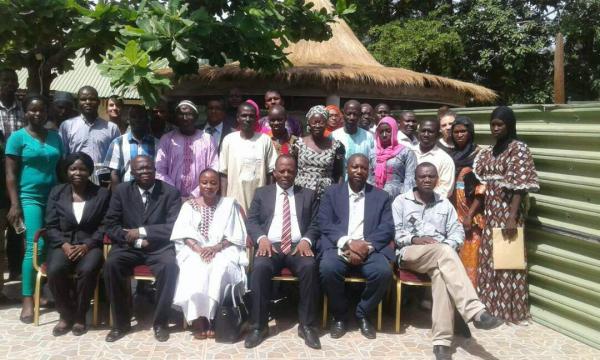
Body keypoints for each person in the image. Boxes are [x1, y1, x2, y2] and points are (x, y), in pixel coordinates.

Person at [392, 162, 502, 360]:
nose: (427, 179)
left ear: (437, 179)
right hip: (410, 253)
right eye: (422, 176)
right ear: (415, 179)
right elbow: (395, 232)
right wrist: (416, 239)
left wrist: (446, 245)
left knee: (441, 274)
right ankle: (475, 311)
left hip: (440, 256)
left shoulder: (444, 204)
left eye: (431, 176)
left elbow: (457, 232)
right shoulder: (401, 202)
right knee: (445, 252)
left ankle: (441, 343)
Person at [245, 155, 321, 349]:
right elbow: (251, 221)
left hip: (298, 246)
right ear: (275, 172)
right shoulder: (262, 193)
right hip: (271, 246)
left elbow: (316, 223)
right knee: (260, 268)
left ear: (296, 173)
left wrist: (306, 240)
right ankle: (258, 326)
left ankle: (307, 326)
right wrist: (261, 239)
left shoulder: (309, 194)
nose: (286, 174)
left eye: (290, 171)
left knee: (310, 267)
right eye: (282, 171)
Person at [103, 155, 181, 343]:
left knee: (170, 267)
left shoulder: (170, 192)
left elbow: (174, 226)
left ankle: (160, 323)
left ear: (155, 169)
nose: (145, 171)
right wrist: (135, 240)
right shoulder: (121, 191)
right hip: (129, 247)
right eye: (140, 169)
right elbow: (110, 224)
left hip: (159, 247)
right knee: (112, 264)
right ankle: (120, 324)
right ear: (132, 172)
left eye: (148, 168)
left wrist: (142, 231)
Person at [474, 106, 539, 324]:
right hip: (491, 214)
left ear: (509, 125)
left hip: (507, 213)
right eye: (492, 124)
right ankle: (490, 307)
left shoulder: (517, 149)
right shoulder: (491, 151)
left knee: (507, 260)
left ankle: (509, 311)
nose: (495, 128)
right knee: (489, 260)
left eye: (500, 124)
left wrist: (512, 217)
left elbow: (520, 188)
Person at [318, 154, 394, 340]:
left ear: (369, 171)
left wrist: (365, 248)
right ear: (347, 168)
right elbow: (324, 222)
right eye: (355, 167)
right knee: (328, 269)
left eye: (363, 168)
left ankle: (363, 313)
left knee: (383, 272)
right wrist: (348, 243)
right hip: (340, 246)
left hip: (369, 248)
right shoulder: (331, 192)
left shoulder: (381, 196)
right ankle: (340, 316)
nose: (359, 171)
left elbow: (387, 227)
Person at [170, 168, 248, 340]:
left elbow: (235, 235)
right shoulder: (188, 206)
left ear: (219, 185)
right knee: (194, 268)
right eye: (204, 182)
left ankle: (215, 318)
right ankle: (200, 319)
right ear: (199, 184)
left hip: (223, 249)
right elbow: (182, 234)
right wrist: (200, 250)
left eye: (213, 182)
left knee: (219, 268)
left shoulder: (228, 204)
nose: (209, 186)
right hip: (194, 250)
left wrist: (215, 248)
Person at [5, 95, 63, 323]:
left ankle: (45, 291)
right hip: (29, 198)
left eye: (41, 110)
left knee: (51, 246)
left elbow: (61, 168)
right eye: (32, 110)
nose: (37, 114)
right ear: (26, 112)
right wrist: (14, 203)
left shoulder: (55, 138)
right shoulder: (17, 138)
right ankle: (27, 298)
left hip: (55, 197)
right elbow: (10, 174)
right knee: (35, 246)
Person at [45, 152, 111, 336]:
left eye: (82, 169)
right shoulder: (56, 192)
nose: (77, 172)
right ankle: (66, 315)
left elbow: (105, 224)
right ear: (67, 171)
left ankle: (81, 316)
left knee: (88, 270)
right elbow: (50, 225)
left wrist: (87, 245)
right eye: (73, 168)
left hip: (91, 244)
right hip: (62, 244)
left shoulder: (102, 194)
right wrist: (64, 244)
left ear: (89, 171)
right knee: (55, 269)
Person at [219, 101, 277, 211]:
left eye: (251, 116)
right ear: (238, 118)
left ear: (256, 119)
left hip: (259, 200)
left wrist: (269, 198)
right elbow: (223, 173)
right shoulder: (229, 140)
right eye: (244, 115)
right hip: (234, 200)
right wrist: (224, 200)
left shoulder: (265, 140)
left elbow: (271, 172)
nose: (247, 119)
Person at [155, 100, 218, 198]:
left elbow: (214, 168)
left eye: (189, 114)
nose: (185, 118)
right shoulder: (167, 139)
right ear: (176, 117)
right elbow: (159, 170)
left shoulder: (208, 139)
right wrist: (174, 193)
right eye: (181, 114)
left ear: (196, 117)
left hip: (202, 197)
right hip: (172, 198)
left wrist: (195, 194)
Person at [59, 86, 120, 186]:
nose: (88, 102)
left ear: (99, 102)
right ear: (77, 102)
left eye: (92, 99)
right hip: (76, 179)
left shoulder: (112, 128)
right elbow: (63, 157)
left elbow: (116, 159)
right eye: (83, 99)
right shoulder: (67, 126)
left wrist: (113, 182)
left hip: (103, 182)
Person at [449, 116, 485, 287]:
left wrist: (469, 216)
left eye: (463, 131)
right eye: (456, 132)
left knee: (471, 259)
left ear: (470, 133)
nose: (459, 135)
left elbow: (481, 189)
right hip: (452, 215)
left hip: (471, 216)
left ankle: (471, 302)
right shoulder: (451, 155)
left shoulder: (479, 155)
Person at [293, 105, 345, 199]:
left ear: (326, 123)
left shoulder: (336, 146)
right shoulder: (298, 144)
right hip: (301, 193)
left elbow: (339, 173)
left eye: (321, 122)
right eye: (314, 122)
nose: (317, 125)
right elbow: (293, 169)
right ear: (309, 122)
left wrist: (337, 193)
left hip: (326, 194)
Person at [104, 105, 159, 190]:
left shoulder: (157, 143)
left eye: (141, 117)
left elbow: (160, 171)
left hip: (151, 193)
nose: (137, 120)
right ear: (128, 120)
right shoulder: (118, 143)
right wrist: (118, 197)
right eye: (133, 117)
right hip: (126, 192)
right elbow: (114, 173)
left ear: (147, 120)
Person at [369, 116, 416, 198]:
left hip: (396, 198)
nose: (384, 135)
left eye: (388, 131)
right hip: (374, 197)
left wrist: (403, 200)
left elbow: (410, 179)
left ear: (394, 131)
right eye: (381, 131)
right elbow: (369, 178)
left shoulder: (406, 152)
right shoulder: (372, 152)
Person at [331, 100, 375, 179]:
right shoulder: (334, 136)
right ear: (343, 114)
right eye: (349, 114)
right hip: (340, 184)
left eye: (355, 114)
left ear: (360, 115)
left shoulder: (369, 137)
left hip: (362, 183)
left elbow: (372, 164)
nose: (352, 117)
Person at [414, 118, 455, 198]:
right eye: (423, 131)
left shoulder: (445, 159)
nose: (426, 134)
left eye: (430, 132)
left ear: (438, 135)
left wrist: (422, 198)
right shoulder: (408, 152)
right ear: (418, 133)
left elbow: (445, 190)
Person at [0, 68, 24, 138]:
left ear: (17, 85)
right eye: (5, 80)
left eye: (13, 80)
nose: (10, 83)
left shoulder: (25, 109)